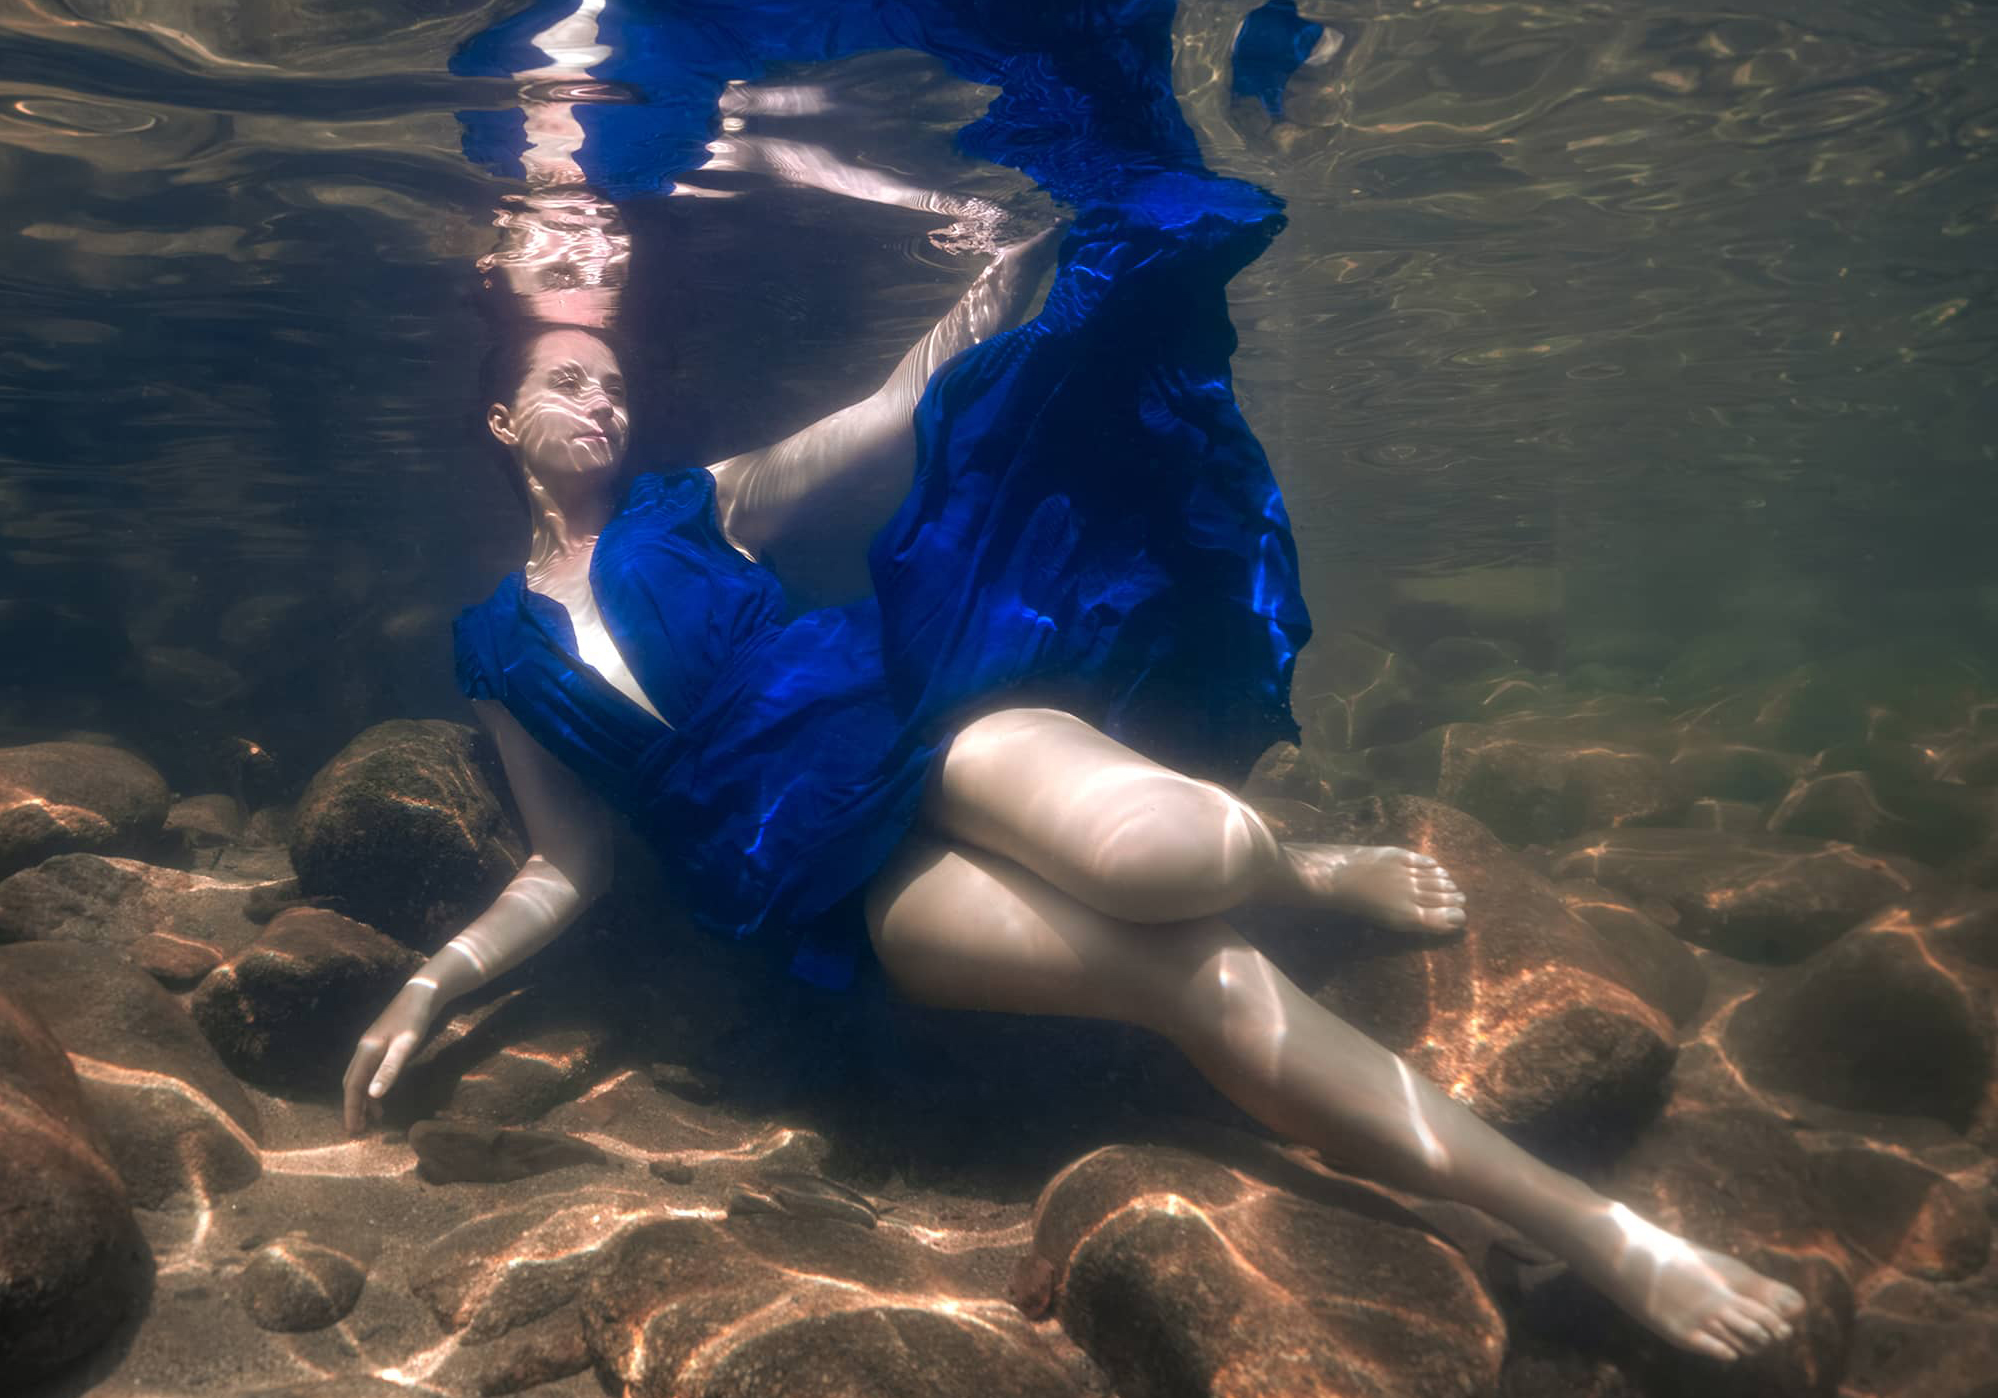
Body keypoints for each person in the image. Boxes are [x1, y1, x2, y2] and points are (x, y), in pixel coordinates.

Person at [347, 0, 1810, 1365]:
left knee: (1194, 851)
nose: (601, 398)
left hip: (903, 714)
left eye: (610, 382)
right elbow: (571, 858)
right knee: (1204, 980)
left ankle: (1295, 857)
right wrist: (438, 976)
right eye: (566, 384)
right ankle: (1595, 1233)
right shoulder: (495, 644)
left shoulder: (693, 500)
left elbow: (883, 416)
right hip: (797, 881)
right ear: (500, 417)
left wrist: (998, 285)